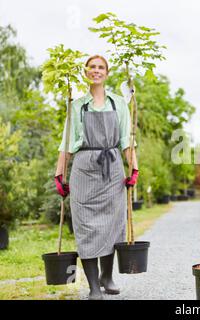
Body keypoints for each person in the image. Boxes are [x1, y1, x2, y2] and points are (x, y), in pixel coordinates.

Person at [54, 55, 139, 300]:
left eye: (101, 67)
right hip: (83, 168)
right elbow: (67, 142)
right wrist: (60, 174)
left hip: (112, 168)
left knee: (113, 224)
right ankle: (93, 285)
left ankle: (107, 277)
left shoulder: (118, 103)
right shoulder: (77, 105)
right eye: (92, 67)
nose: (96, 70)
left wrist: (133, 169)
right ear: (86, 72)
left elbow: (126, 140)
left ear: (107, 72)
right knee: (87, 227)